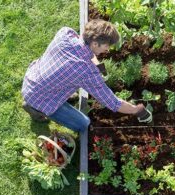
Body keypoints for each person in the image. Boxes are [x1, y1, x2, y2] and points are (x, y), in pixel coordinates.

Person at [21, 20, 151, 133]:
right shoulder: (86, 71)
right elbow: (112, 102)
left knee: (68, 81)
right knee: (83, 123)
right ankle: (33, 108)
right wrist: (138, 110)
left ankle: (52, 96)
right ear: (95, 44)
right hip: (39, 98)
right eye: (106, 46)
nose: (107, 50)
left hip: (33, 77)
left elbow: (83, 49)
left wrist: (99, 66)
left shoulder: (65, 34)